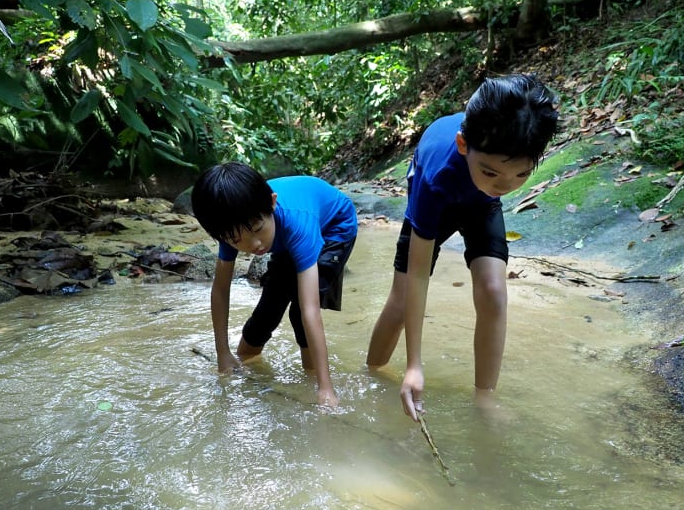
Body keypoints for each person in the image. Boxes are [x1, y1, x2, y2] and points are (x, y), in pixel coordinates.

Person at [366, 74, 558, 420]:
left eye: (520, 176)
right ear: (463, 145)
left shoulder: (496, 179)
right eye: (492, 173)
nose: (504, 186)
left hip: (478, 205)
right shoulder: (437, 177)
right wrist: (414, 365)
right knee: (401, 300)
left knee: (494, 292)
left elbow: (495, 185)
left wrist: (489, 185)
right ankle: (373, 373)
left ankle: (485, 399)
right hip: (438, 200)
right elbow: (419, 275)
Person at [191, 162, 358, 407]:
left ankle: (313, 378)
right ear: (223, 235)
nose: (255, 244)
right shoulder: (233, 225)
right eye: (239, 240)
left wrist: (326, 389)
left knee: (300, 312)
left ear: (272, 203)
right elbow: (220, 290)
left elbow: (311, 311)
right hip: (283, 232)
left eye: (258, 230)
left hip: (334, 227)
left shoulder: (298, 225)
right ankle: (245, 357)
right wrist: (222, 354)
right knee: (271, 301)